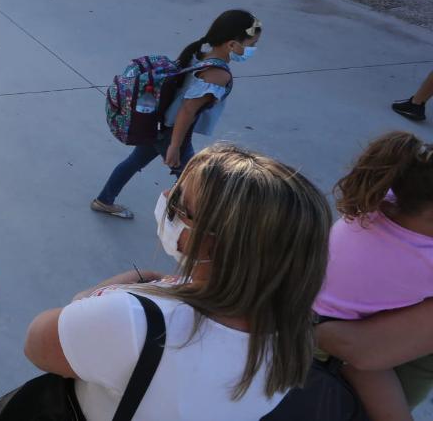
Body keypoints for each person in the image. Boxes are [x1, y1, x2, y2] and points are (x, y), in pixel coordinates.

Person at [24, 144, 331, 420]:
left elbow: (38, 344)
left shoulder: (138, 320)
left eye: (179, 203)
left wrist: (114, 289)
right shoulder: (293, 336)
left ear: (213, 243)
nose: (167, 197)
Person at [91, 9, 263, 219]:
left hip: (159, 124)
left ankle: (104, 200)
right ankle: (179, 223)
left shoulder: (200, 51)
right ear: (232, 45)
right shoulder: (217, 74)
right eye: (251, 44)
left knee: (135, 161)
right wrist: (174, 146)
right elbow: (188, 110)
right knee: (192, 179)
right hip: (174, 133)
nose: (253, 49)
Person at [313, 131, 433, 420]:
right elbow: (364, 354)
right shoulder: (425, 259)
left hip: (310, 302)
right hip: (341, 338)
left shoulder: (377, 202)